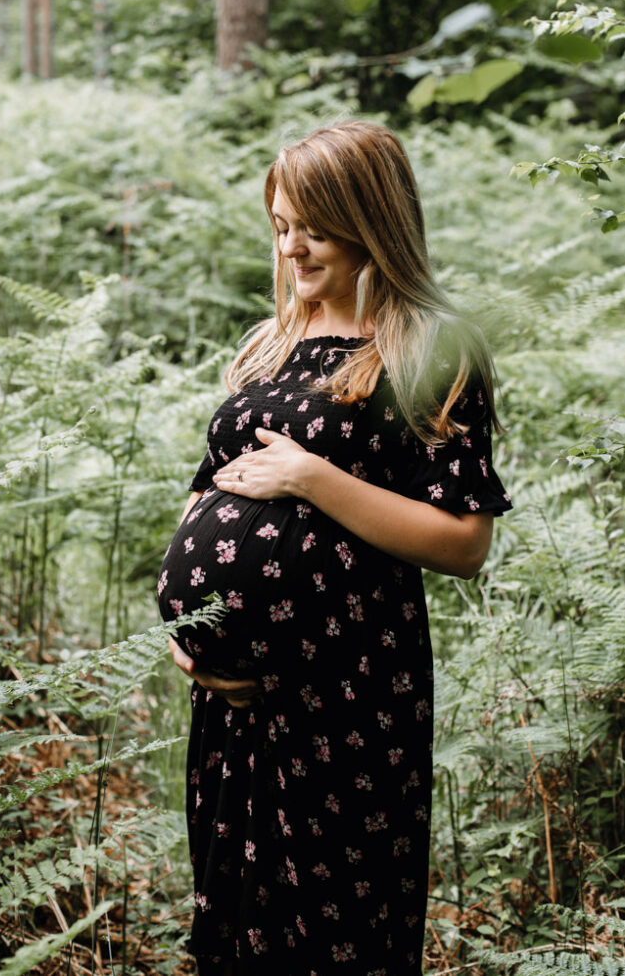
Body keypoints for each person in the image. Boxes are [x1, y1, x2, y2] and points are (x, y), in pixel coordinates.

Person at [158, 120, 512, 976]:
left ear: (369, 218)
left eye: (310, 228)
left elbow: (464, 542)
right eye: (280, 227)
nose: (291, 248)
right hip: (236, 699)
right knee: (237, 911)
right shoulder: (270, 343)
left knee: (336, 918)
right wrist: (188, 632)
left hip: (348, 689)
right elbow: (212, 491)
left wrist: (314, 478)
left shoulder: (430, 349)